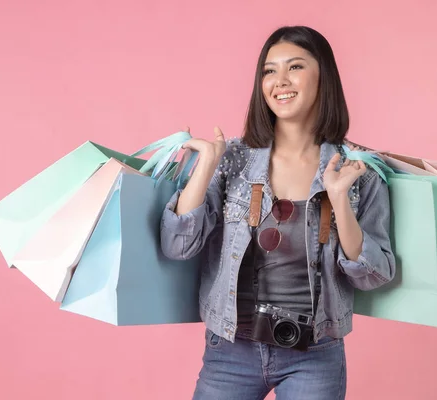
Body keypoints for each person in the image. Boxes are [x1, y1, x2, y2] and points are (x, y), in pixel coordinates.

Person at [160, 25, 396, 400]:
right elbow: (178, 245)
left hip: (315, 354)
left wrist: (338, 199)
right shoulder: (232, 158)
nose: (280, 81)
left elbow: (374, 275)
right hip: (230, 349)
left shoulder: (359, 170)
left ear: (324, 76)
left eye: (296, 67)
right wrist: (206, 164)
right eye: (269, 70)